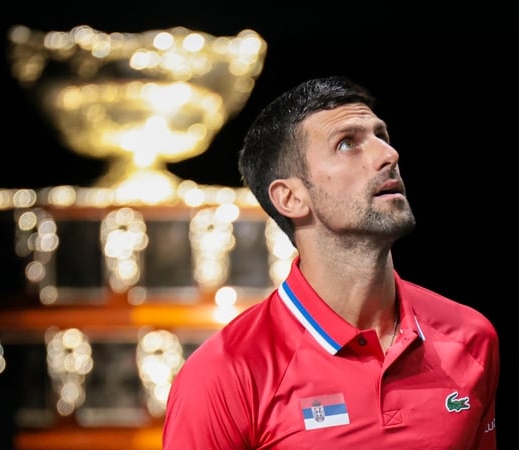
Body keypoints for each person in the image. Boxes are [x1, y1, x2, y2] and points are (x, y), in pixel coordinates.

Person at [162, 75, 500, 449]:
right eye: (347, 144)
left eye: (381, 136)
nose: (388, 155)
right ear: (290, 198)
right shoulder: (224, 372)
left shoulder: (471, 336)